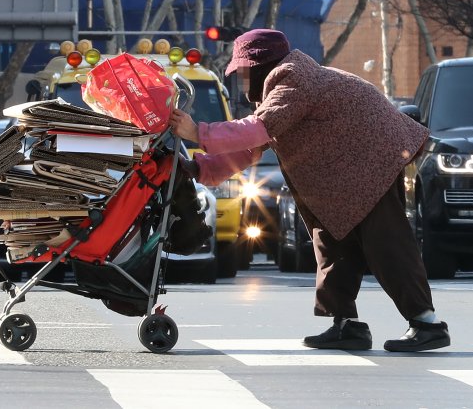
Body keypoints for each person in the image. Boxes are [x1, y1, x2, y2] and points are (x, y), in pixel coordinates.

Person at [169, 28, 450, 352]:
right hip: (349, 171)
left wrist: (197, 131)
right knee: (332, 239)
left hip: (374, 161)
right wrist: (203, 168)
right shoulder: (280, 86)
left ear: (258, 66)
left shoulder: (292, 77)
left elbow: (258, 130)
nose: (242, 82)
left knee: (386, 242)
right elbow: (254, 145)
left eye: (243, 73)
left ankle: (427, 323)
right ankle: (346, 325)